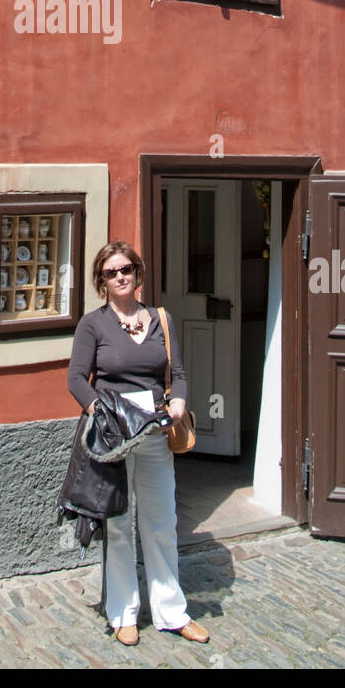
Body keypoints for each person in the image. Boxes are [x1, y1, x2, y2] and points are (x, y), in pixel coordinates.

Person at [67, 239, 210, 647]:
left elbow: (176, 371)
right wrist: (100, 412)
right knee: (117, 525)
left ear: (137, 273)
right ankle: (123, 613)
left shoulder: (160, 319)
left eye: (125, 269)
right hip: (114, 435)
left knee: (162, 520)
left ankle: (172, 612)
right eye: (111, 272)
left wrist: (179, 400)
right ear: (102, 281)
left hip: (152, 430)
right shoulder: (92, 325)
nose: (120, 277)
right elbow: (76, 379)